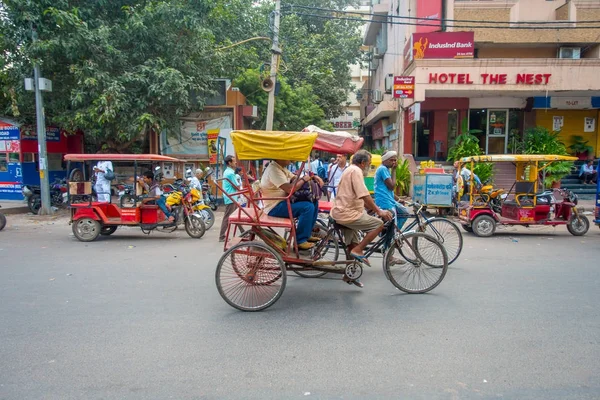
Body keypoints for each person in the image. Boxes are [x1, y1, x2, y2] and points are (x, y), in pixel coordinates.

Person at [331, 150, 392, 287]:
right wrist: (378, 211)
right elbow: (364, 194)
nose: (368, 167)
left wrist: (371, 207)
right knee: (378, 224)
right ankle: (359, 250)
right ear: (363, 163)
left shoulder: (350, 169)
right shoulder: (356, 171)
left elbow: (359, 195)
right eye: (369, 164)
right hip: (347, 213)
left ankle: (350, 275)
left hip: (344, 211)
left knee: (352, 243)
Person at [261, 159, 323, 250]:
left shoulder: (281, 168)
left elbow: (295, 177)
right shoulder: (273, 170)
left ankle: (307, 233)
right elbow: (289, 189)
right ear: (280, 157)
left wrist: (312, 177)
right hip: (274, 207)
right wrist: (302, 180)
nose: (290, 159)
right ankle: (300, 241)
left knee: (314, 202)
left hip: (283, 201)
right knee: (307, 207)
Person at [374, 151, 409, 230]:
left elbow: (389, 191)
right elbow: (392, 187)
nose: (393, 162)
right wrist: (394, 170)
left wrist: (399, 199)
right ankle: (391, 238)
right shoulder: (382, 169)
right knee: (391, 224)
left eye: (395, 160)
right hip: (385, 201)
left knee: (405, 213)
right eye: (391, 160)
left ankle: (395, 234)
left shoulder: (385, 169)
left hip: (389, 199)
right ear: (384, 160)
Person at [219, 155, 239, 242]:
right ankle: (222, 236)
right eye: (234, 161)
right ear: (229, 163)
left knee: (237, 215)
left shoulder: (228, 171)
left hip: (231, 196)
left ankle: (243, 231)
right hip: (231, 197)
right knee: (228, 217)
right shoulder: (230, 173)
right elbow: (237, 185)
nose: (235, 163)